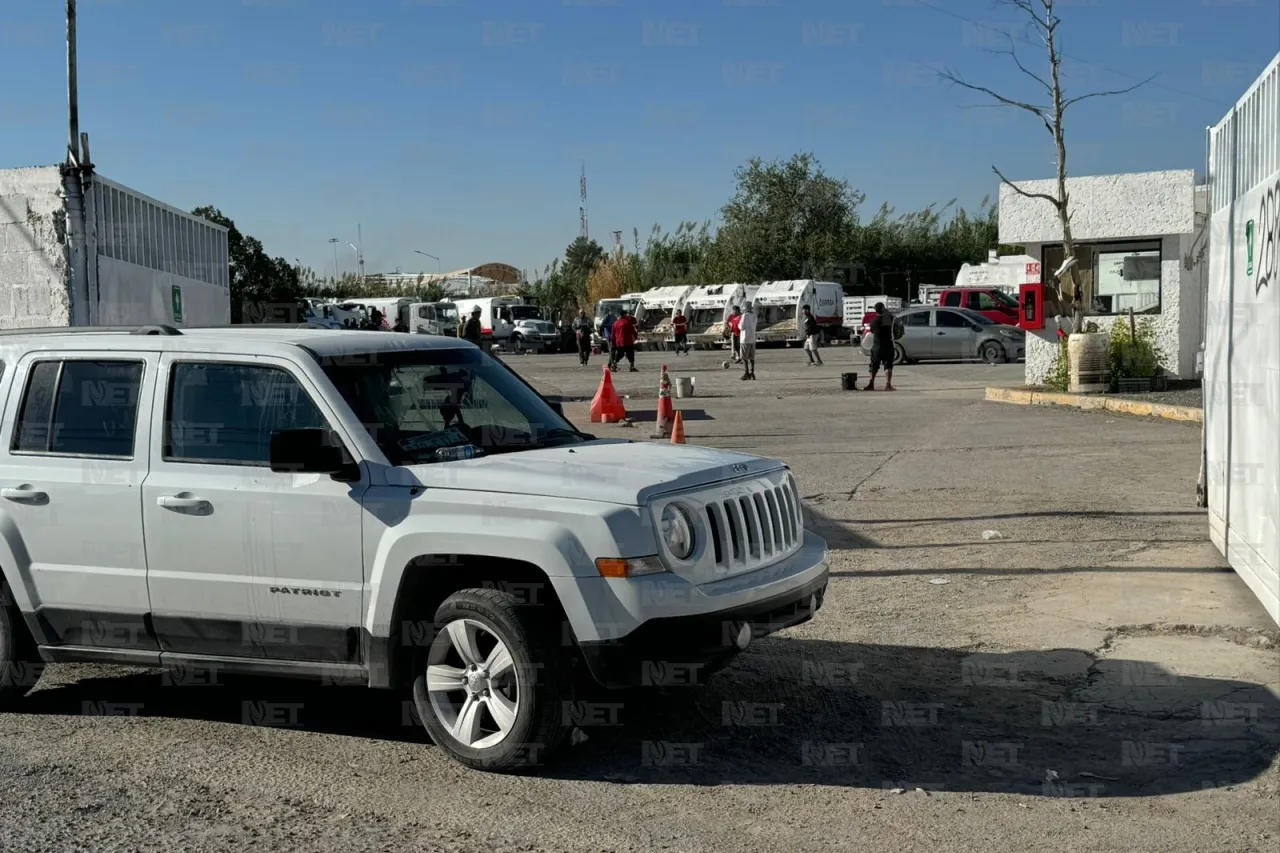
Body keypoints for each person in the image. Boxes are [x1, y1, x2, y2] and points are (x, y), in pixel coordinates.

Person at [864, 302, 896, 391]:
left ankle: (871, 384)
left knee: (874, 365)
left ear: (876, 311)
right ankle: (888, 385)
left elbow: (872, 331)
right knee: (888, 365)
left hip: (877, 346)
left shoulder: (874, 322)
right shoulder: (889, 320)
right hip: (888, 346)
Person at [738, 301, 757, 380]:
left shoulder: (744, 316)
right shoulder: (754, 316)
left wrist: (738, 325)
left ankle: (746, 373)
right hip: (752, 338)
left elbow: (742, 327)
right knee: (751, 357)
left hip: (745, 339)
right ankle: (752, 372)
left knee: (744, 357)